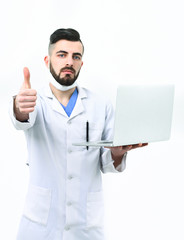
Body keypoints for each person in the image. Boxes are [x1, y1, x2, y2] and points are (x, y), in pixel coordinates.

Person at [9, 28, 147, 240]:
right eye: (61, 55)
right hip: (40, 225)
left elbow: (107, 161)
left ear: (81, 63)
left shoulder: (101, 105)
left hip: (85, 225)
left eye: (76, 56)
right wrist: (19, 106)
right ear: (47, 60)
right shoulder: (35, 102)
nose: (69, 62)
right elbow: (22, 119)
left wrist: (118, 153)